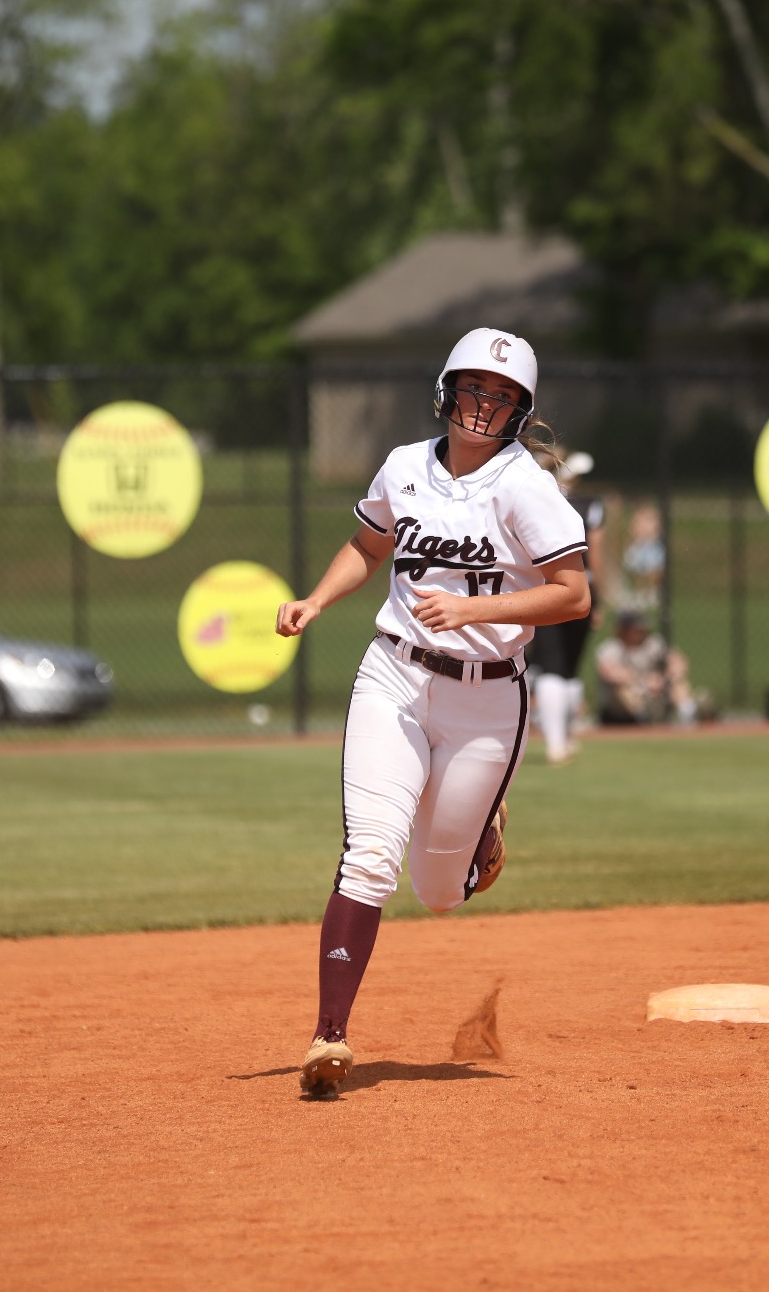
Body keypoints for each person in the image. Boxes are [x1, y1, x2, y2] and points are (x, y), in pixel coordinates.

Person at [274, 327, 591, 1099]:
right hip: (395, 678)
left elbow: (574, 593)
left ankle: (480, 823)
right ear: (449, 390)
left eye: (506, 395)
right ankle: (330, 1035)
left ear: (522, 412)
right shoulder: (404, 467)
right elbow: (368, 542)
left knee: (439, 890)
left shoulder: (524, 485)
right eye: (478, 388)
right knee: (372, 854)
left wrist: (480, 606)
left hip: (487, 698)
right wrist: (317, 598)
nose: (488, 406)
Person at [526, 448, 607, 764]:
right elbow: (595, 553)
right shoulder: (589, 505)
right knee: (566, 667)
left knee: (554, 665)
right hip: (578, 586)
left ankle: (558, 742)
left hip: (545, 587)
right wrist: (596, 596)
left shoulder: (537, 499)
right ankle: (562, 740)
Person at [595, 610, 698, 725]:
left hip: (655, 692)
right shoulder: (610, 648)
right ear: (624, 629)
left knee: (679, 683)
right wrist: (643, 681)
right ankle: (643, 724)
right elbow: (609, 673)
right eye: (637, 628)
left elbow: (678, 663)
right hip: (622, 708)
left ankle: (688, 720)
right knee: (623, 690)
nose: (643, 631)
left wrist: (664, 679)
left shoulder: (653, 644)